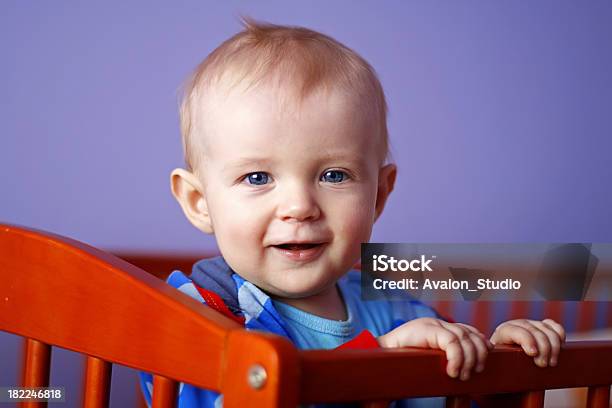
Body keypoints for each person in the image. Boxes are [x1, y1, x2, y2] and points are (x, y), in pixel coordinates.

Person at [140, 18, 566, 408]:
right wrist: (374, 359)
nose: (299, 206)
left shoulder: (397, 310)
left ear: (378, 195)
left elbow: (454, 394)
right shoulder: (199, 314)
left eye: (334, 175)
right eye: (257, 178)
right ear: (199, 203)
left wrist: (503, 371)